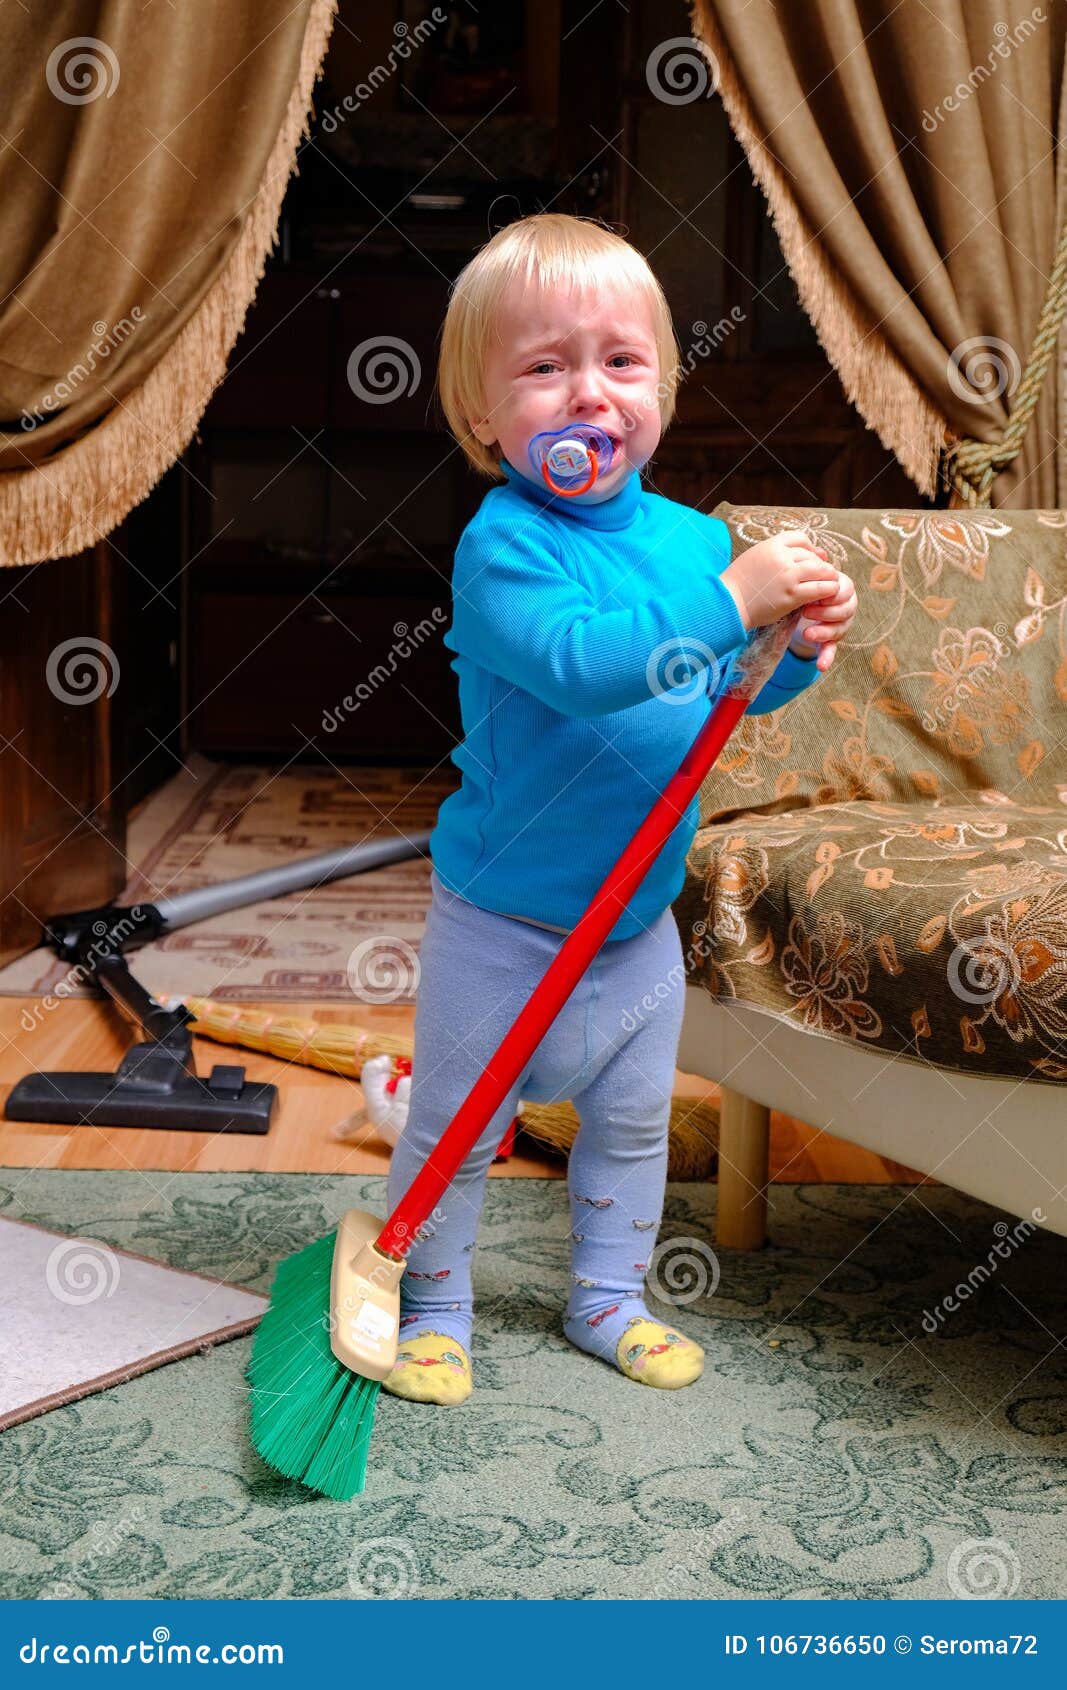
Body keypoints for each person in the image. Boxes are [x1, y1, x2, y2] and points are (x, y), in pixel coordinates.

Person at [382, 212, 857, 1405]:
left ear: (662, 387)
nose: (587, 394)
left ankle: (606, 1298)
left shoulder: (691, 544)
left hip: (636, 923)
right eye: (543, 368)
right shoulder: (503, 551)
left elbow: (726, 692)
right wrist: (728, 597)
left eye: (620, 362)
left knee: (631, 1127)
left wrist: (788, 644)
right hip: (503, 917)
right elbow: (598, 667)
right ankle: (433, 1304)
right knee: (459, 1125)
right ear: (481, 414)